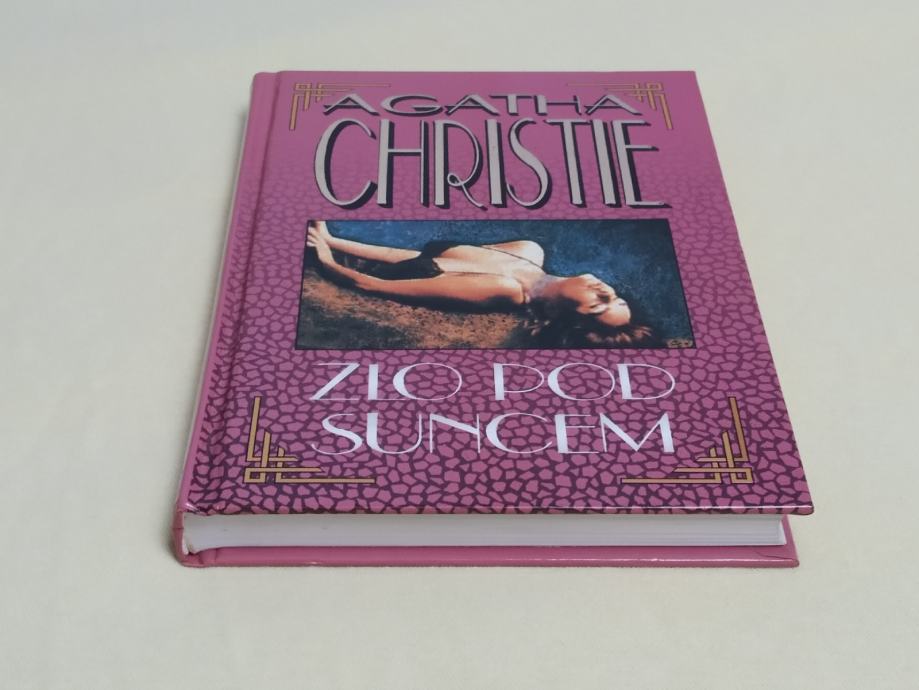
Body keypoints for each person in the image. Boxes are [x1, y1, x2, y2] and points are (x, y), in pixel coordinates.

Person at [306, 220, 657, 348]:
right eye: (617, 298)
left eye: (598, 304)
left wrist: (326, 260)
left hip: (353, 275)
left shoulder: (504, 290)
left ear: (558, 313)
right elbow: (405, 256)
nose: (607, 291)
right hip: (376, 262)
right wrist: (334, 240)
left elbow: (371, 286)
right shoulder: (529, 252)